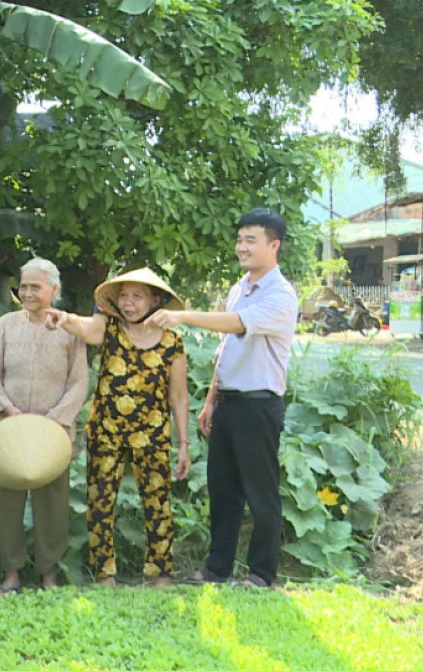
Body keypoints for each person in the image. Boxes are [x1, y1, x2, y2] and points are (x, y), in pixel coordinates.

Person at [145, 208, 299, 588]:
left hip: (259, 405)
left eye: (251, 240)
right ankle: (217, 568)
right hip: (229, 403)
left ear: (274, 245)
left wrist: (183, 316)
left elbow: (238, 324)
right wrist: (212, 397)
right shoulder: (238, 288)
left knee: (261, 493)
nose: (242, 247)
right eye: (240, 239)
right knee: (223, 490)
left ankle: (261, 574)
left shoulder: (281, 294)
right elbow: (227, 346)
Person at [46, 268, 191, 587]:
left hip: (153, 436)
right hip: (106, 433)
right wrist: (64, 318)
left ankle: (160, 573)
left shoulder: (172, 342)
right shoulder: (108, 328)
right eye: (124, 295)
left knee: (158, 503)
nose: (128, 302)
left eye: (137, 296)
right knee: (100, 502)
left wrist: (184, 444)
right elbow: (83, 325)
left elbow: (179, 397)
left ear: (155, 301)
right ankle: (104, 574)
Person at [0, 258, 88, 596]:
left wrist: (55, 419)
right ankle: (11, 574)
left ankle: (49, 574)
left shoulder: (69, 328)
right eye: (23, 286)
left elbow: (79, 381)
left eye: (35, 287)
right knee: (8, 503)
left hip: (53, 433)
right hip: (10, 430)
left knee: (53, 505)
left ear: (53, 290)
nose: (27, 293)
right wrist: (8, 409)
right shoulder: (5, 325)